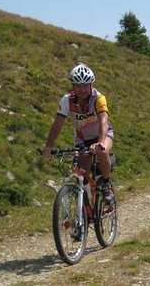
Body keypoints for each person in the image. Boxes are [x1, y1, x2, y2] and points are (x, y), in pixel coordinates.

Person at [42, 63, 115, 203]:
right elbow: (57, 124)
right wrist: (48, 145)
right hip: (83, 139)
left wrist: (100, 142)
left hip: (103, 134)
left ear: (90, 85)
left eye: (85, 85)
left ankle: (106, 184)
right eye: (78, 85)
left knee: (102, 151)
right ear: (73, 86)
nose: (82, 89)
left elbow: (103, 122)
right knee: (81, 175)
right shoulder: (67, 100)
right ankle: (86, 208)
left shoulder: (99, 98)